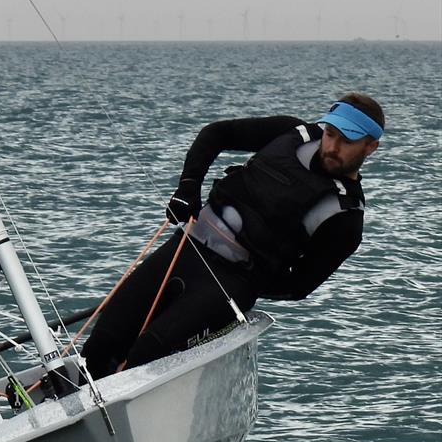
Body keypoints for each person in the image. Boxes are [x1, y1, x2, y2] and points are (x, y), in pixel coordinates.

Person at [82, 92, 384, 380]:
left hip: (229, 285)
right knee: (99, 346)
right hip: (187, 249)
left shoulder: (346, 219)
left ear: (371, 147)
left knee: (146, 355)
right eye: (331, 134)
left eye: (347, 141)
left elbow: (299, 286)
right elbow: (216, 134)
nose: (332, 146)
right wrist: (188, 188)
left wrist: (251, 279)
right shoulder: (292, 134)